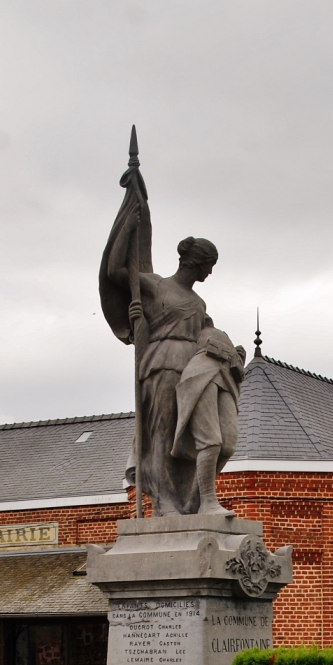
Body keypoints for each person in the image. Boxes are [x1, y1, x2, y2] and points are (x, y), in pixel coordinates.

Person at [102, 213, 245, 515]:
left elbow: (207, 332)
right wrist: (127, 228)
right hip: (162, 363)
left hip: (195, 367)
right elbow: (115, 271)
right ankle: (164, 501)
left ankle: (194, 500)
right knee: (162, 434)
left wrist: (228, 350)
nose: (210, 273)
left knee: (200, 438)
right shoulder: (156, 285)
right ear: (197, 262)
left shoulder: (199, 302)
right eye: (210, 266)